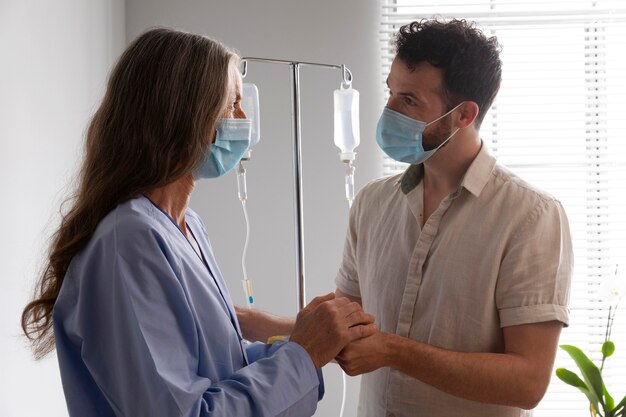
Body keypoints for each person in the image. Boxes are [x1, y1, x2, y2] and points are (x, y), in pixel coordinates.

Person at [20, 27, 375, 417]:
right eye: (232, 104)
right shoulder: (129, 240)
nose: (243, 120)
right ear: (183, 114)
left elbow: (222, 365)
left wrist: (304, 343)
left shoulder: (187, 229)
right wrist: (302, 355)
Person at [238, 19, 573, 417]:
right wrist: (243, 319)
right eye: (391, 92)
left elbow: (528, 382)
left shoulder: (530, 217)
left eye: (409, 100)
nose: (388, 111)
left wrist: (393, 351)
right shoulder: (372, 204)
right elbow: (336, 333)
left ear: (464, 115)